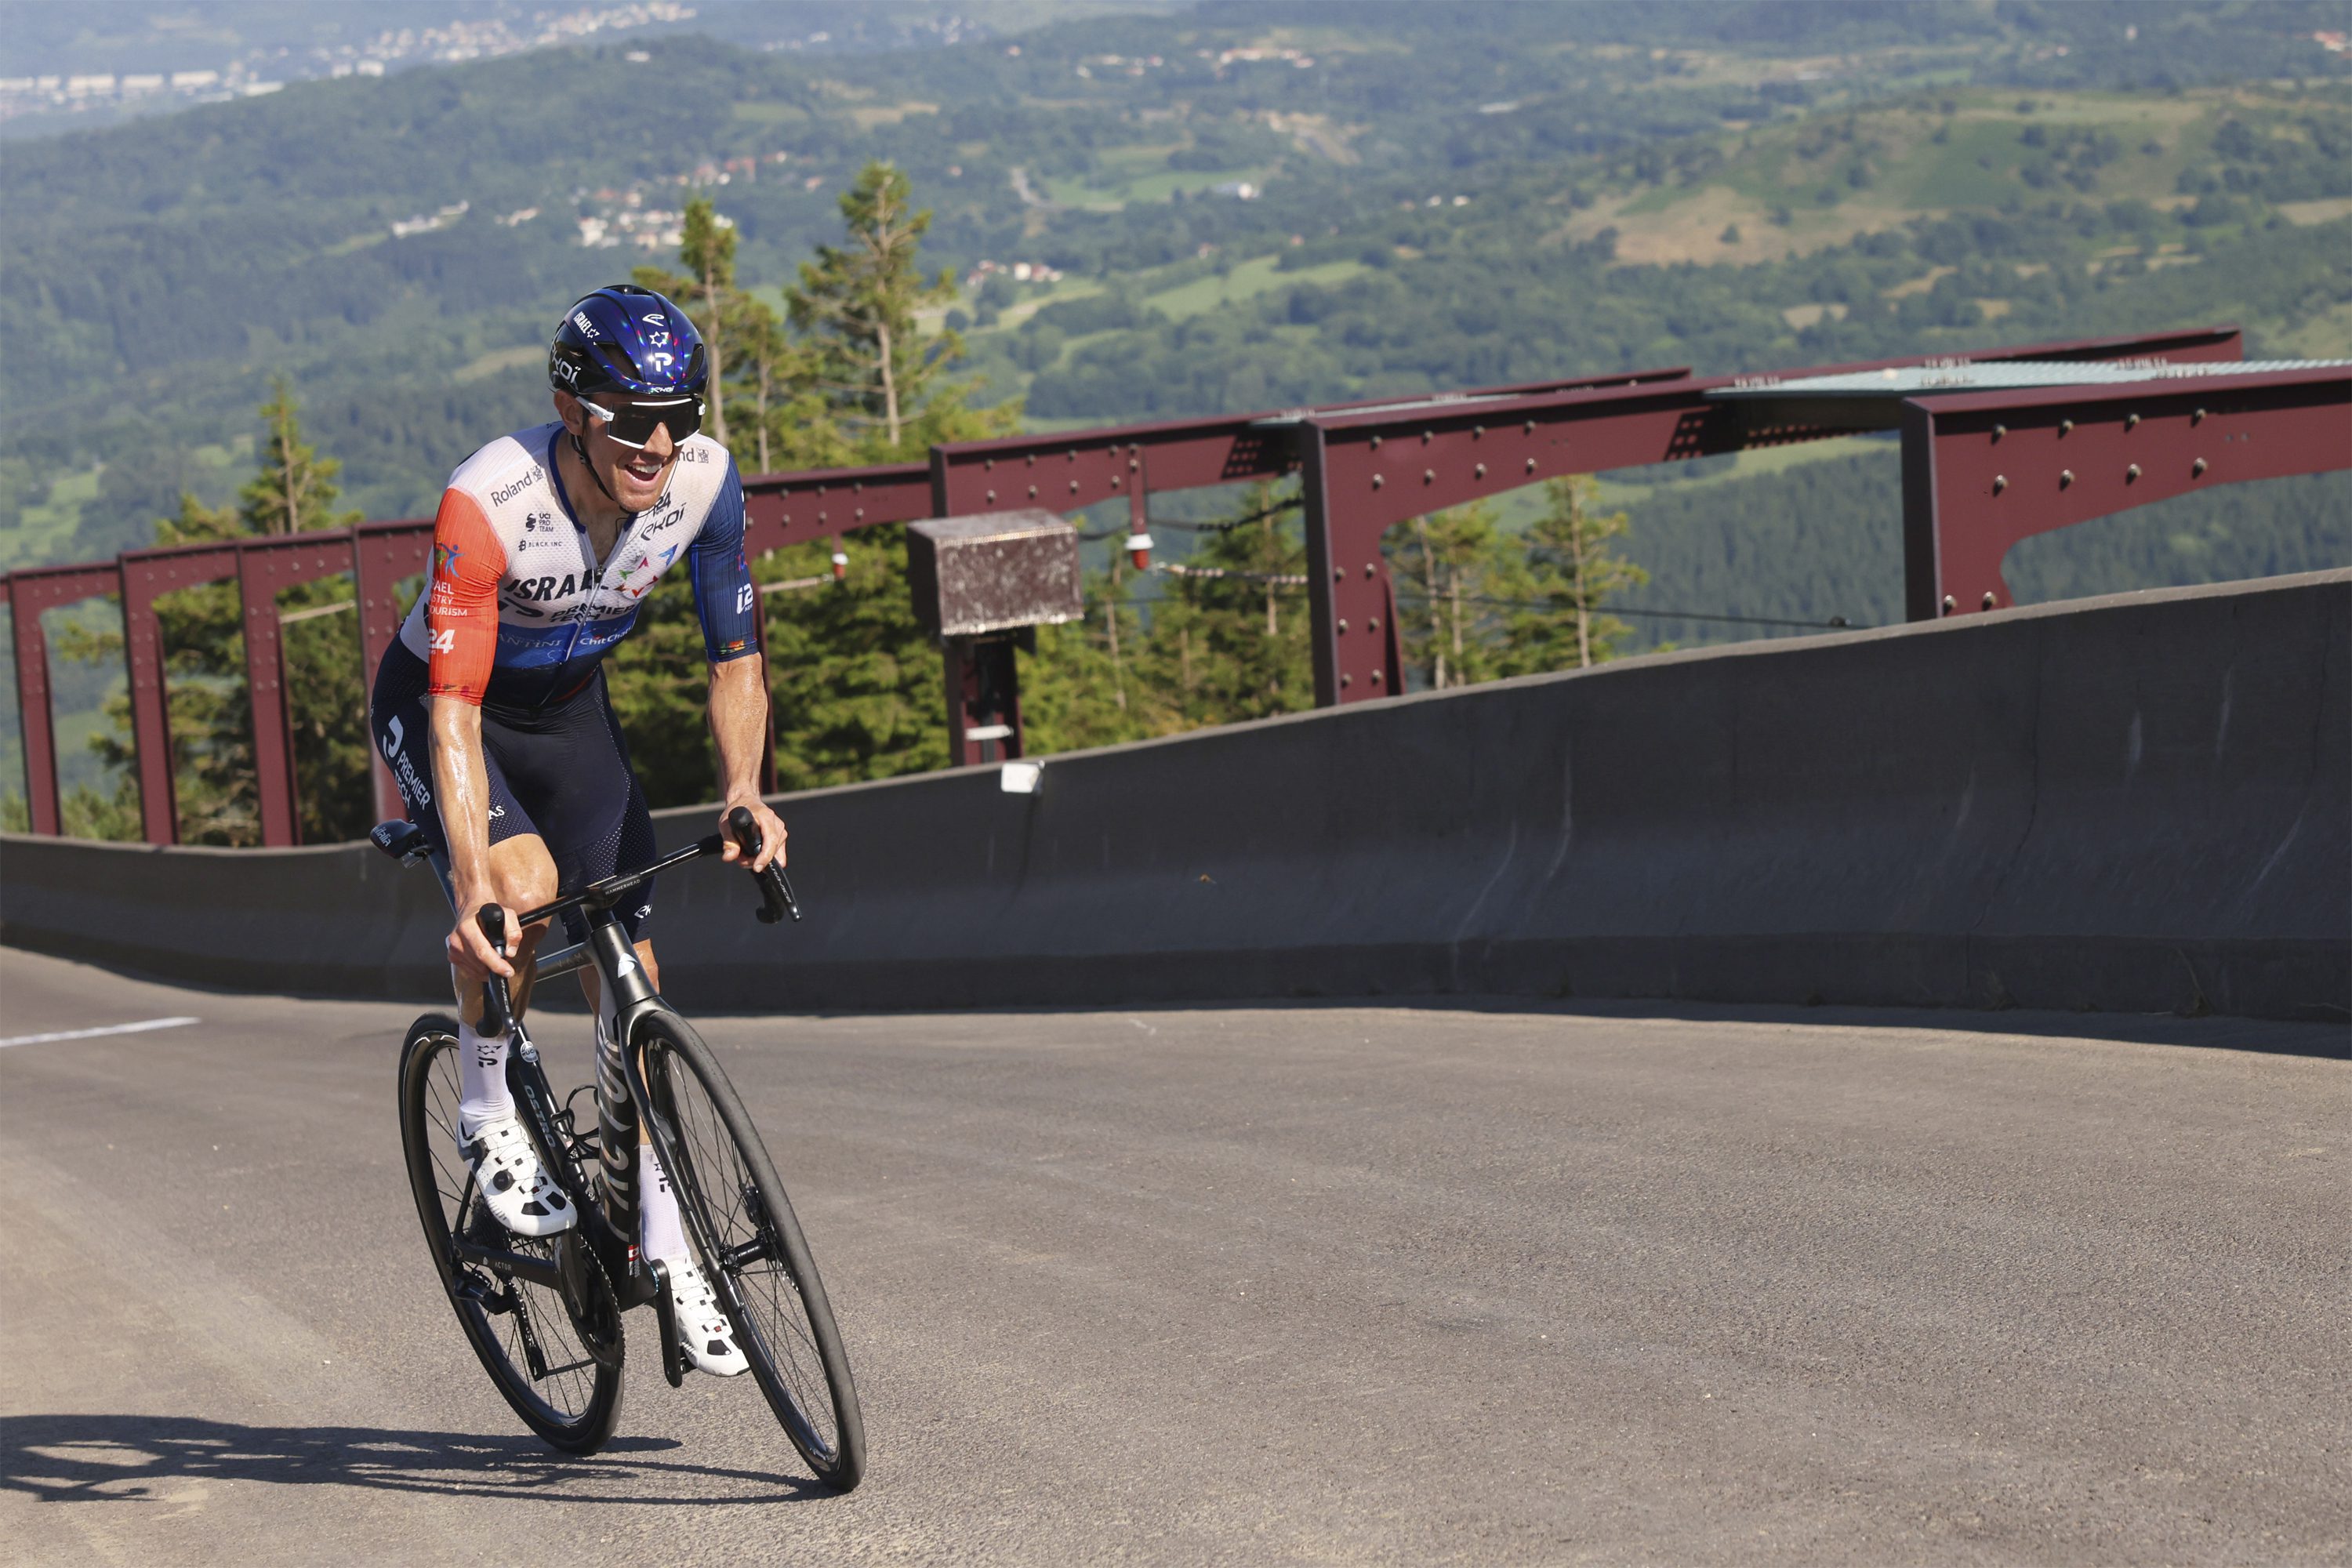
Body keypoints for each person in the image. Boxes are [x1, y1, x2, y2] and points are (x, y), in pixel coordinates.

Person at [369, 283, 786, 1377]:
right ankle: (483, 1097)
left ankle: (667, 1233)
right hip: (446, 708)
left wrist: (744, 786)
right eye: (629, 416)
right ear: (572, 408)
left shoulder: (703, 484)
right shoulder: (492, 502)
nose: (658, 441)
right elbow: (452, 717)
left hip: (567, 719)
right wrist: (472, 890)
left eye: (679, 414)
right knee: (521, 882)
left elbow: (735, 658)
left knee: (633, 970)